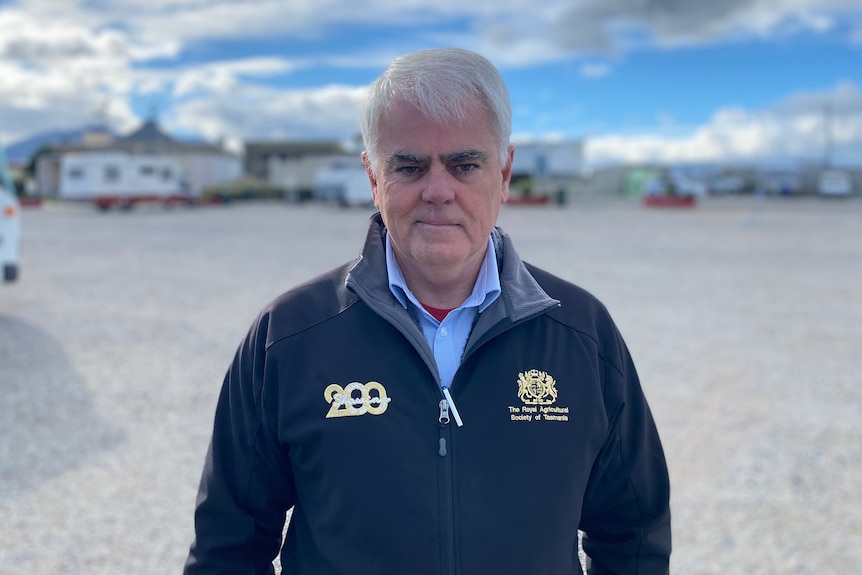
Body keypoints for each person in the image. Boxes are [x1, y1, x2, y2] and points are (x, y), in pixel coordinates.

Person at [184, 48, 671, 575]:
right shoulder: (289, 336)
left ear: (504, 173)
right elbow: (228, 549)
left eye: (465, 164)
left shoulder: (582, 334)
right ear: (373, 177)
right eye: (409, 166)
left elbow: (634, 534)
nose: (438, 191)